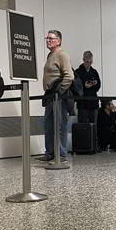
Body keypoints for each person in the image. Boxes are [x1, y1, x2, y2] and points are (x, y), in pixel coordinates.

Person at [38, 30, 74, 162]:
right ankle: (50, 153)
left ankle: (61, 154)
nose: (48, 40)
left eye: (51, 38)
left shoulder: (62, 55)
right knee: (48, 124)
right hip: (49, 95)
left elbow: (69, 76)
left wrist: (60, 91)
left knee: (59, 125)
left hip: (58, 96)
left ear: (58, 41)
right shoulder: (50, 55)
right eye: (46, 38)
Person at [75, 51, 101, 124]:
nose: (88, 64)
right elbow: (75, 87)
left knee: (94, 126)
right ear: (83, 60)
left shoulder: (94, 72)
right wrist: (84, 86)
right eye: (87, 62)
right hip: (82, 103)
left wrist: (95, 83)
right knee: (83, 127)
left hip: (93, 102)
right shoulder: (78, 72)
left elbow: (98, 86)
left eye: (90, 62)